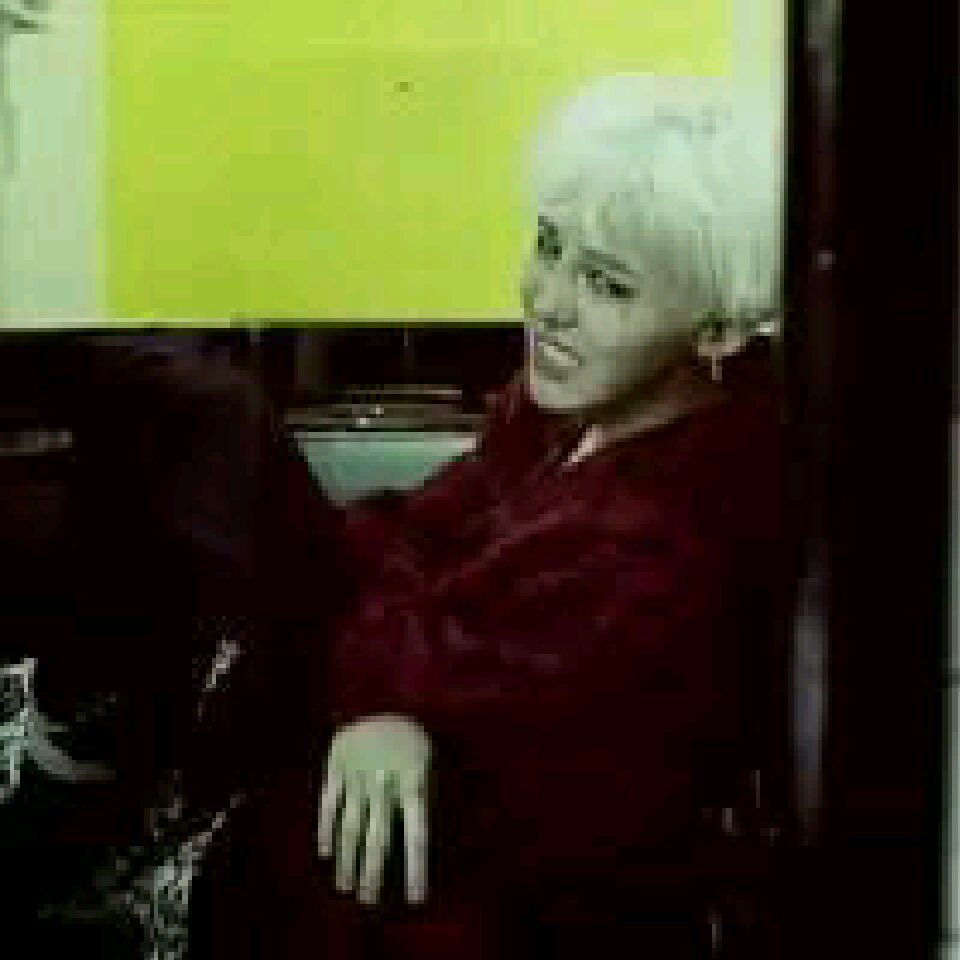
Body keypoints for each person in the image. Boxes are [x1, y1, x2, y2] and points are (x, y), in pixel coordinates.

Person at [227, 73, 788, 959]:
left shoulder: (655, 544)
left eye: (606, 285)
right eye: (548, 245)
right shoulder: (569, 414)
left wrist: (384, 690)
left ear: (715, 332)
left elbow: (399, 609)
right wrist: (390, 697)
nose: (547, 299)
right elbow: (390, 532)